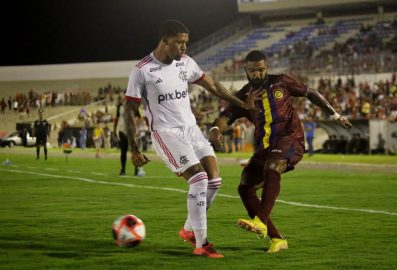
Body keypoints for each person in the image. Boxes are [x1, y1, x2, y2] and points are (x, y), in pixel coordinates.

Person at [124, 19, 253, 258]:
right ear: (164, 41)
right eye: (179, 43)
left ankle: (187, 230)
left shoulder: (185, 63)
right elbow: (129, 112)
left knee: (214, 180)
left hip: (191, 130)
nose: (184, 48)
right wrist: (133, 148)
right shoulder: (142, 70)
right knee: (199, 178)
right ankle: (202, 244)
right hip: (166, 133)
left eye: (186, 43)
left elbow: (212, 84)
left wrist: (241, 104)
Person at [208, 50, 352, 253]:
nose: (257, 74)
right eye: (252, 71)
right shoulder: (243, 97)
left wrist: (336, 115)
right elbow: (224, 118)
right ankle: (278, 240)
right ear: (245, 70)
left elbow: (310, 93)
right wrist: (215, 130)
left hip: (290, 138)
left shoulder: (281, 82)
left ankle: (260, 221)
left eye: (261, 70)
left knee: (273, 166)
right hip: (264, 148)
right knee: (245, 187)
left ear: (266, 67)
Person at [113, 96, 145, 176]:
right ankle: (123, 170)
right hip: (122, 130)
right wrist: (114, 130)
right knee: (123, 151)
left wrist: (135, 125)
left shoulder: (132, 106)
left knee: (134, 150)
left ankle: (136, 170)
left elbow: (140, 118)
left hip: (131, 131)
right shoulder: (120, 106)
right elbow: (116, 119)